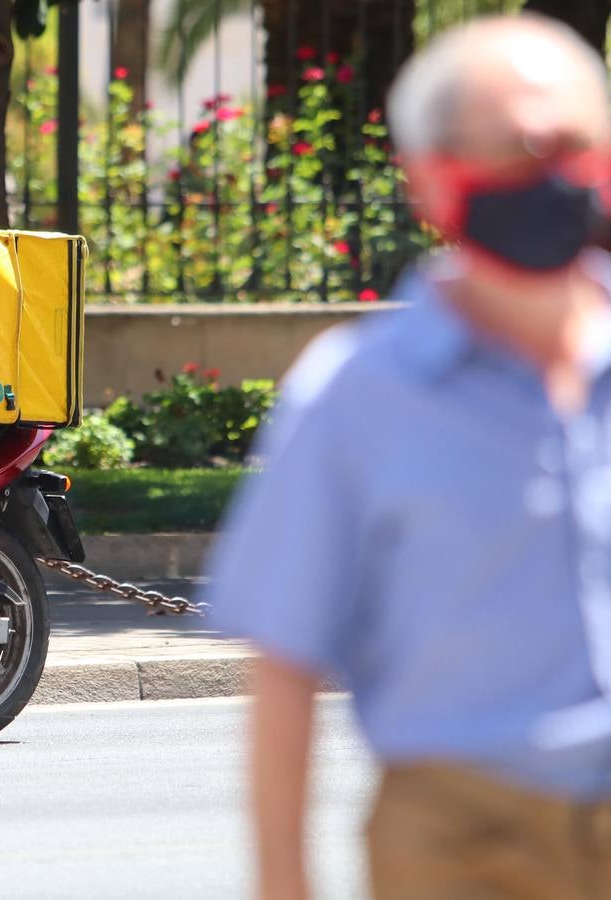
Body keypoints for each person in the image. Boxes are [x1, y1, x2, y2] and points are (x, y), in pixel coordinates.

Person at [206, 15, 611, 900]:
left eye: (570, 146)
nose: (546, 176)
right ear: (430, 181)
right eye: (513, 151)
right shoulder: (357, 396)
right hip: (466, 846)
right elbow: (285, 670)